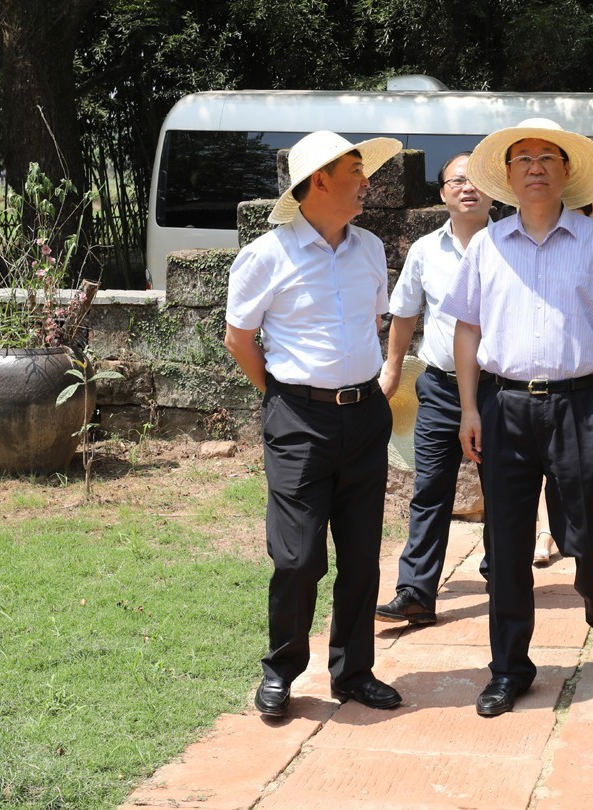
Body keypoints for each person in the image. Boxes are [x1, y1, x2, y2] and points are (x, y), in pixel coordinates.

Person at [442, 118, 593, 717]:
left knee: (591, 532)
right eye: (523, 159)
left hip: (581, 404)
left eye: (547, 158)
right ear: (507, 176)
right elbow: (467, 329)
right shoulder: (487, 245)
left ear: (567, 172)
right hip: (504, 405)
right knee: (506, 543)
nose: (535, 166)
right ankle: (509, 667)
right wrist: (467, 408)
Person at [223, 131, 405, 718]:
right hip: (297, 419)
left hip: (365, 417)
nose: (366, 182)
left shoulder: (370, 248)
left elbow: (374, 320)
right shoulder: (266, 255)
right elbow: (239, 339)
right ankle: (281, 670)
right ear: (320, 180)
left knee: (360, 555)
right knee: (298, 558)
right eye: (356, 170)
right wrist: (284, 397)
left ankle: (353, 672)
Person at [375, 152, 495, 626]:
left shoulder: (512, 243)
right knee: (429, 490)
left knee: (503, 490)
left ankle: (501, 574)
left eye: (477, 180)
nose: (468, 188)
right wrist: (391, 368)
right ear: (443, 193)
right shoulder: (425, 250)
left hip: (499, 390)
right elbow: (404, 315)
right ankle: (416, 592)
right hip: (440, 389)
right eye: (457, 181)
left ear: (494, 190)